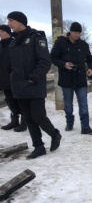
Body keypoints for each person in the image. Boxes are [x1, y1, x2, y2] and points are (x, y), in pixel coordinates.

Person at [7, 11, 61, 159]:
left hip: (34, 84)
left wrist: (33, 78)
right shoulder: (14, 41)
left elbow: (45, 62)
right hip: (19, 86)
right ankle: (38, 147)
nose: (9, 24)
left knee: (38, 116)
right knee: (28, 118)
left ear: (20, 21)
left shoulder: (36, 38)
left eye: (11, 20)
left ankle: (54, 134)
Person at [50, 21, 92, 135]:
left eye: (79, 33)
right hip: (66, 79)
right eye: (75, 32)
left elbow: (90, 59)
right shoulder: (60, 43)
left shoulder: (83, 45)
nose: (77, 34)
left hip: (80, 78)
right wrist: (64, 64)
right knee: (68, 105)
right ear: (70, 31)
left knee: (83, 104)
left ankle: (85, 127)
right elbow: (53, 57)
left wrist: (90, 68)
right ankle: (69, 123)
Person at [0, 24, 27, 132]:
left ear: (8, 32)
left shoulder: (15, 43)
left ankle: (24, 122)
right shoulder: (0, 45)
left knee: (20, 100)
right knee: (10, 100)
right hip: (3, 78)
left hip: (15, 77)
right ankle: (14, 120)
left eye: (3, 31)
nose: (1, 33)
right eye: (0, 31)